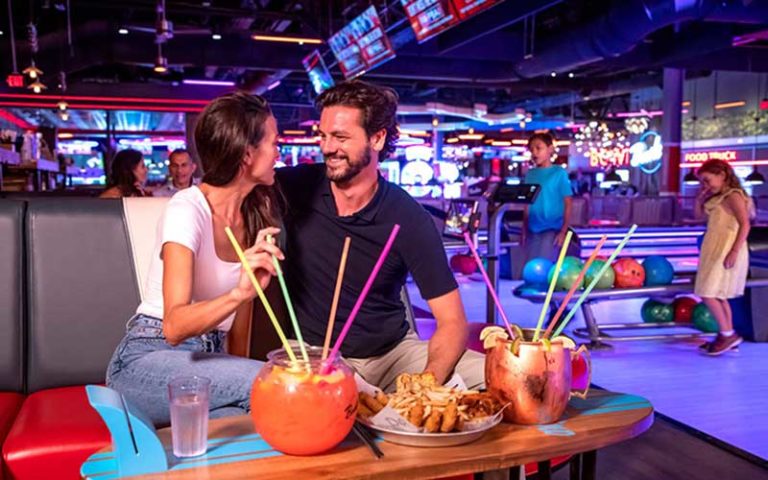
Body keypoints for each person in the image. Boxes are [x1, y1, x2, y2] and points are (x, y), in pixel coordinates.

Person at [276, 80, 484, 392]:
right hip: (312, 356)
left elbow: (452, 323)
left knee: (493, 375)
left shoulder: (409, 218)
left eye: (341, 137)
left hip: (391, 355)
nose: (327, 147)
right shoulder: (295, 187)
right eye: (324, 135)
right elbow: (234, 184)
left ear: (377, 138)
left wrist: (427, 384)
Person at [106, 92, 284, 425]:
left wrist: (238, 383)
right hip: (147, 359)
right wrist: (238, 293)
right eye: (275, 143)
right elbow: (174, 326)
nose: (279, 153)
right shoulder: (186, 209)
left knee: (248, 418)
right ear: (247, 154)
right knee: (274, 382)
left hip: (205, 361)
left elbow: (237, 335)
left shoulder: (251, 218)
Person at [694, 159, 752, 356]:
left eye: (707, 180)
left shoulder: (733, 196)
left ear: (722, 175)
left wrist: (734, 251)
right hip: (715, 248)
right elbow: (698, 217)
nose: (705, 185)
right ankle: (727, 334)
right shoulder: (717, 197)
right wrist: (699, 198)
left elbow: (745, 224)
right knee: (718, 293)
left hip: (726, 248)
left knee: (707, 292)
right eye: (702, 181)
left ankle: (728, 334)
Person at [522, 132, 573, 262]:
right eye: (532, 149)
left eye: (538, 148)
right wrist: (524, 229)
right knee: (531, 267)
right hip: (532, 229)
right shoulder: (530, 174)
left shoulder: (559, 173)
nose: (534, 153)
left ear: (550, 149)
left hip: (552, 229)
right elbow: (527, 205)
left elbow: (568, 203)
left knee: (544, 267)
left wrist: (563, 232)